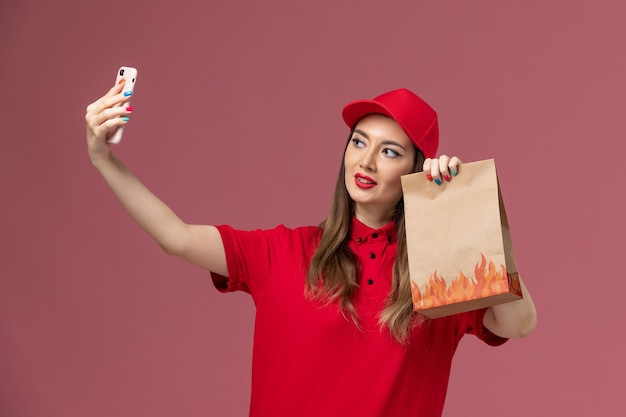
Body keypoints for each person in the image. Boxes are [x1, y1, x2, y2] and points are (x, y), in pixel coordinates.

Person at [85, 84, 537, 417]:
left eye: (390, 151)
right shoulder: (284, 251)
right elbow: (176, 236)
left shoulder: (439, 270)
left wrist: (471, 214)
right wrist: (103, 159)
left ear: (415, 169)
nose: (366, 161)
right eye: (359, 142)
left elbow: (518, 323)